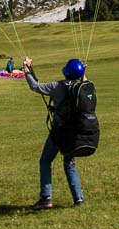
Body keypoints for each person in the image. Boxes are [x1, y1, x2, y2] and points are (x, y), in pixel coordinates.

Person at [23, 56, 86, 210]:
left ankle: (46, 198)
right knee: (69, 164)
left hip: (59, 132)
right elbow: (85, 81)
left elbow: (35, 86)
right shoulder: (83, 88)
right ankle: (78, 198)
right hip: (74, 133)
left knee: (45, 161)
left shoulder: (57, 86)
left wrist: (26, 69)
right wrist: (83, 73)